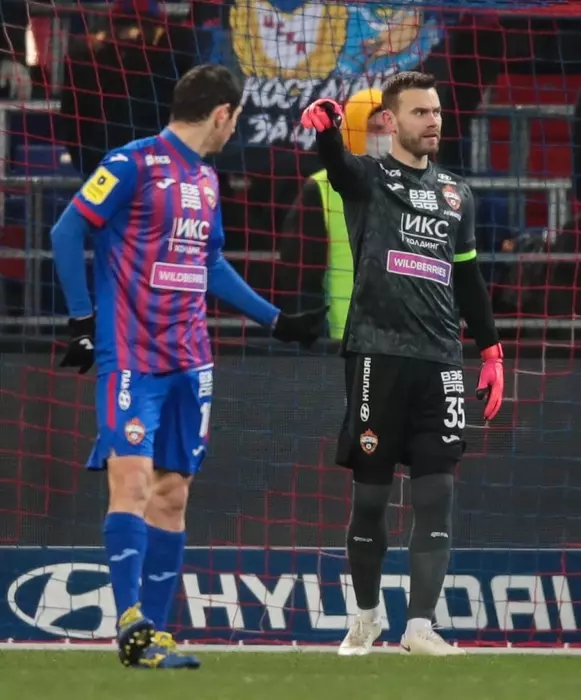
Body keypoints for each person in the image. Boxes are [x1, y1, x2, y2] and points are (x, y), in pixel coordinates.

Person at [50, 64, 326, 669]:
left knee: (173, 495)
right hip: (131, 356)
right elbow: (67, 230)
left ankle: (156, 635)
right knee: (132, 482)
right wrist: (81, 321)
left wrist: (276, 320)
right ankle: (130, 624)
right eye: (237, 118)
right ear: (223, 113)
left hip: (191, 360)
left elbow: (210, 263)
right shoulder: (131, 163)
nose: (234, 128)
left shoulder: (206, 178)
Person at [298, 70, 505, 657]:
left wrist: (490, 350)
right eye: (420, 112)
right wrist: (327, 131)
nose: (432, 121)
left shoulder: (456, 193)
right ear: (390, 121)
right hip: (376, 355)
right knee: (370, 499)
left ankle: (419, 626)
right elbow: (337, 166)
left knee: (437, 494)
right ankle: (366, 617)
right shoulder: (367, 177)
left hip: (441, 362)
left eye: (436, 111)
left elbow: (468, 277)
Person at [276, 87, 394, 333]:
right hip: (343, 335)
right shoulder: (320, 188)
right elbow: (300, 275)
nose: (385, 137)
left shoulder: (412, 185)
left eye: (390, 129)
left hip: (404, 335)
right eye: (376, 129)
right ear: (356, 129)